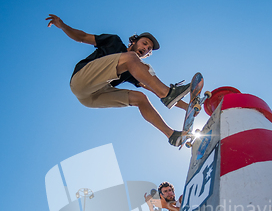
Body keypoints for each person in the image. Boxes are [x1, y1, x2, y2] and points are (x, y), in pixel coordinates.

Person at [46, 14, 190, 147]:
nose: (145, 49)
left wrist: (187, 107)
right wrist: (62, 25)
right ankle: (168, 93)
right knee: (132, 58)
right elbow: (82, 37)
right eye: (144, 43)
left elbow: (153, 89)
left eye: (148, 49)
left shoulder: (135, 70)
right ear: (134, 41)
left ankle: (172, 135)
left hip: (91, 98)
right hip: (80, 79)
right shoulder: (113, 42)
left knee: (140, 98)